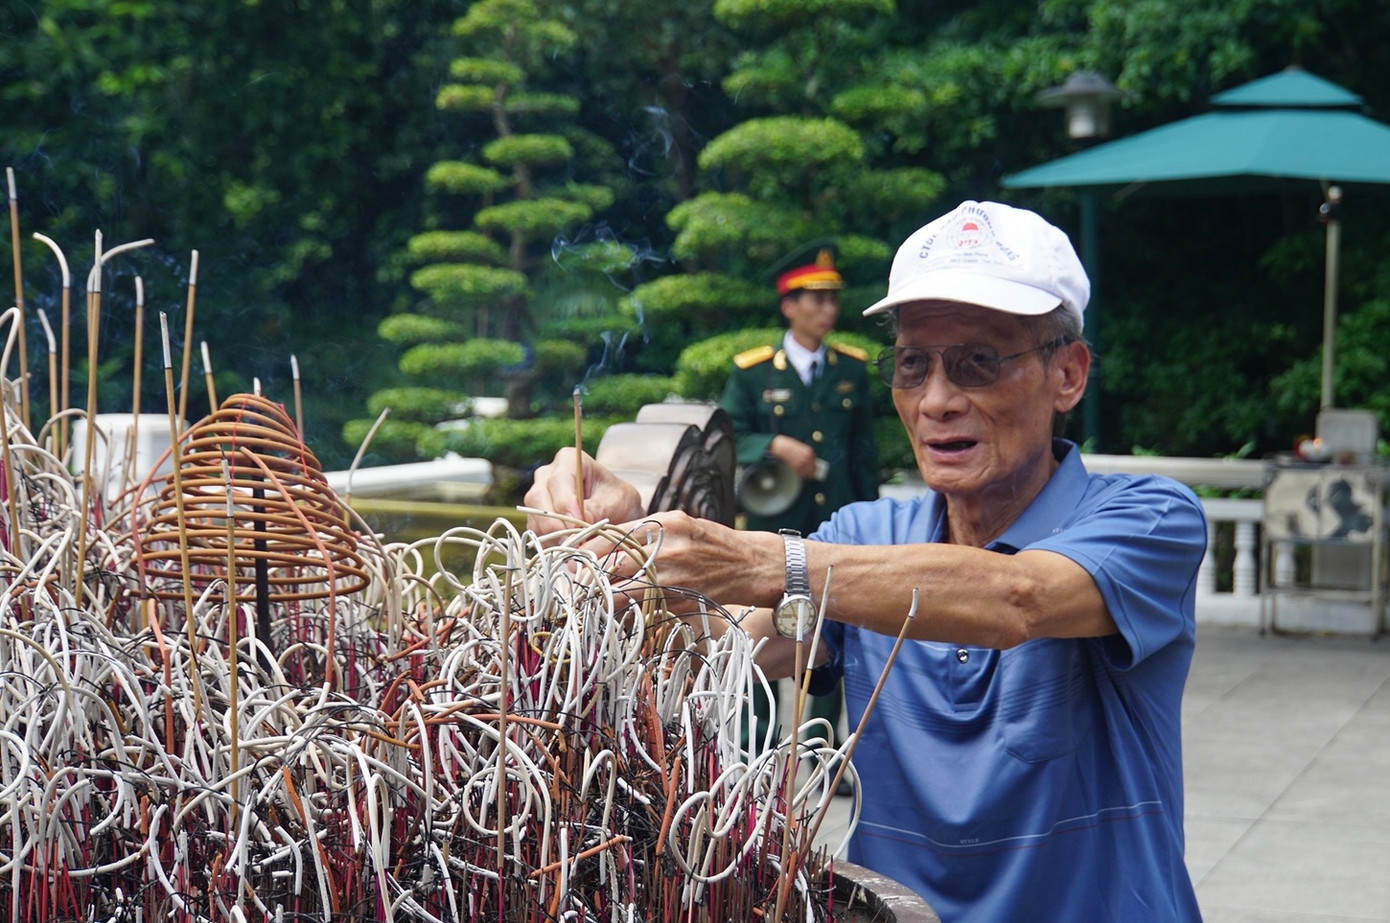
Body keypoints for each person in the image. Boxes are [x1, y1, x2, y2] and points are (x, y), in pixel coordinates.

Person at [525, 200, 1205, 921]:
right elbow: (716, 648)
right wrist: (624, 544)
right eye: (913, 364)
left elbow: (1019, 599)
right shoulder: (863, 533)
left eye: (978, 362)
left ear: (1068, 374)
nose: (937, 400)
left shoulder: (1150, 518)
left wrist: (764, 557)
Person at [722, 245, 878, 761]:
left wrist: (870, 524)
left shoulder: (852, 370)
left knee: (833, 619)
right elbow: (726, 435)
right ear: (788, 305)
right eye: (815, 299)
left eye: (832, 299)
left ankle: (818, 743)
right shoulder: (754, 372)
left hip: (834, 520)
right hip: (773, 522)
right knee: (760, 626)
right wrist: (774, 446)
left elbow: (863, 456)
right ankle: (754, 745)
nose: (827, 310)